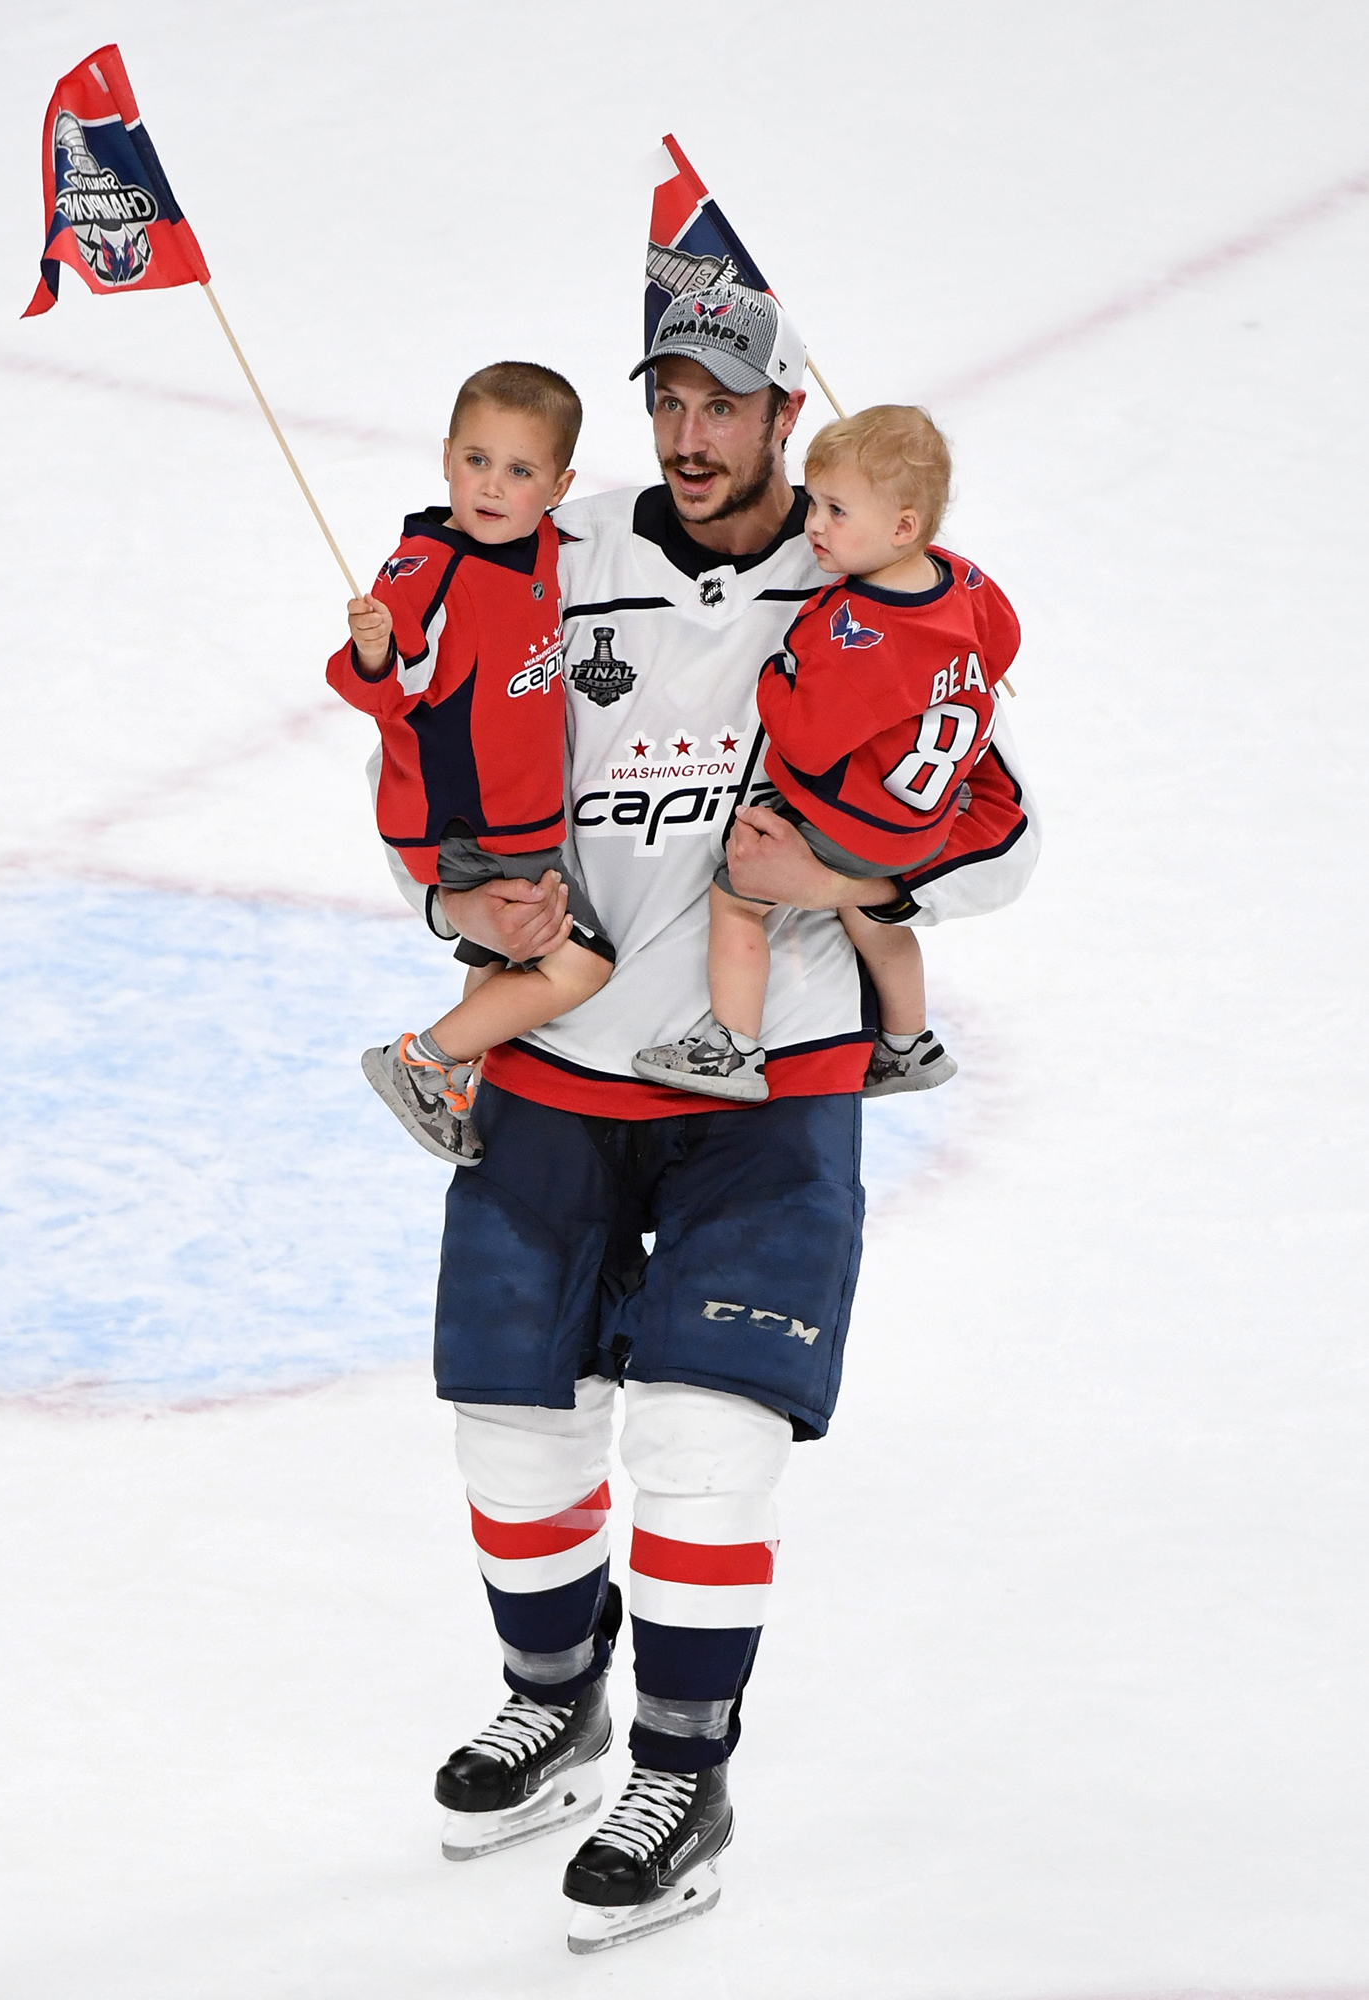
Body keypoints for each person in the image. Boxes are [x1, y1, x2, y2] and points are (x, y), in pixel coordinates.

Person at [412, 283, 1039, 1953]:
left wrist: (842, 874)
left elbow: (1000, 836)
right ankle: (553, 1704)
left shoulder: (877, 590)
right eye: (666, 400)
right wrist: (456, 914)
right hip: (555, 1065)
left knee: (702, 1446)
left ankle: (682, 1776)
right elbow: (442, 763)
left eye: (725, 403)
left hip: (770, 1082)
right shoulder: (550, 545)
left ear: (787, 416)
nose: (690, 434)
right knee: (511, 1435)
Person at [632, 403, 1020, 1104]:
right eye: (816, 503)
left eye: (838, 512)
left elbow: (805, 743)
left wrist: (777, 674)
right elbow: (1006, 640)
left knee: (737, 899)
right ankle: (908, 1043)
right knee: (869, 911)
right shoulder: (962, 583)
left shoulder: (860, 635)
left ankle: (732, 1047)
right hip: (923, 825)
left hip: (853, 824)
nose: (814, 525)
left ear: (902, 527)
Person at [326, 362, 615, 1168]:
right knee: (581, 963)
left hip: (520, 820)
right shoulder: (427, 563)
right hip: (466, 824)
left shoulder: (548, 544)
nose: (491, 486)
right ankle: (423, 1063)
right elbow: (377, 684)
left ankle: (466, 1086)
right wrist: (377, 649)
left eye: (519, 471)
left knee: (502, 961)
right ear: (446, 455)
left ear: (558, 486)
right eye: (477, 461)